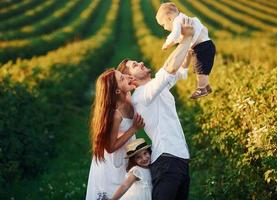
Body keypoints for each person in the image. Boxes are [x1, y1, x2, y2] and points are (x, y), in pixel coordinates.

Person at [117, 19, 194, 200]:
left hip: (180, 159)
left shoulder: (154, 88)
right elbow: (169, 68)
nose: (141, 63)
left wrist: (189, 52)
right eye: (135, 65)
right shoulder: (142, 95)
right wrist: (186, 38)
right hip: (167, 161)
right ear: (131, 79)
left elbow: (179, 71)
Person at [85, 69, 145, 200]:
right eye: (122, 78)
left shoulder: (128, 97)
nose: (127, 77)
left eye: (123, 75)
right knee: (115, 193)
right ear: (117, 91)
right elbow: (110, 147)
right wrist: (134, 128)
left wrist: (130, 79)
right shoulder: (115, 114)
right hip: (113, 163)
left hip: (126, 155)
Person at [156, 2, 216, 99]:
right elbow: (181, 37)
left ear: (169, 18)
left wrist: (167, 44)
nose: (164, 27)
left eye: (163, 24)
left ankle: (201, 88)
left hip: (202, 47)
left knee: (200, 69)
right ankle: (207, 86)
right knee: (201, 68)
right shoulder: (183, 18)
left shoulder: (177, 22)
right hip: (206, 45)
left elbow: (174, 35)